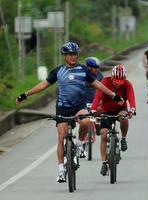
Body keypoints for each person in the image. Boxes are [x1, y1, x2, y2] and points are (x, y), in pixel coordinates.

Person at [16, 42, 123, 183]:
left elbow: (98, 84)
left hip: (79, 105)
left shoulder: (83, 70)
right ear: (65, 56)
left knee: (85, 122)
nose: (73, 57)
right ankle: (61, 170)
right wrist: (25, 95)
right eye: (70, 54)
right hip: (62, 107)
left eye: (75, 54)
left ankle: (79, 144)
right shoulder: (58, 71)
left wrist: (113, 95)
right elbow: (43, 85)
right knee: (61, 137)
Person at [91, 64, 136, 176]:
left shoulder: (127, 84)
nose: (118, 85)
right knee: (103, 134)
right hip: (106, 109)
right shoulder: (105, 82)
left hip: (120, 108)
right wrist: (93, 109)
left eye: (120, 83)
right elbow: (97, 96)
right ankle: (104, 162)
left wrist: (132, 109)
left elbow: (131, 97)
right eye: (116, 82)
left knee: (124, 117)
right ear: (112, 77)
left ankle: (124, 138)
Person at [82, 57, 104, 151]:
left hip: (96, 101)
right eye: (95, 67)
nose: (97, 69)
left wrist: (101, 100)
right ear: (88, 67)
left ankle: (98, 124)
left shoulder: (100, 75)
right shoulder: (81, 75)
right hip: (83, 101)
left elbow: (103, 89)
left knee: (100, 110)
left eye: (98, 67)